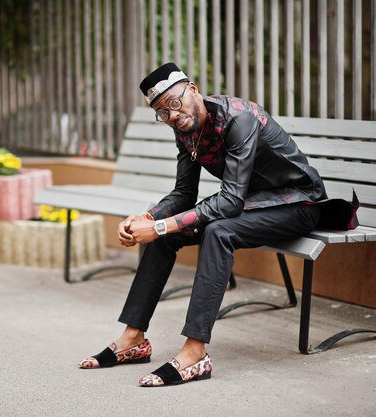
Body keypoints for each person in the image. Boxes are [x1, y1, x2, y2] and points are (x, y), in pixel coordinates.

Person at [78, 62, 352, 387]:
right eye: (163, 112)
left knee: (217, 231)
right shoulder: (187, 133)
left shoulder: (239, 118)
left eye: (175, 102)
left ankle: (195, 352)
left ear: (192, 90)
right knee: (166, 233)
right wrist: (148, 218)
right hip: (252, 206)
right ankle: (133, 338)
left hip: (297, 203)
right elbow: (183, 193)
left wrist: (163, 226)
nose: (173, 115)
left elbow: (230, 201)